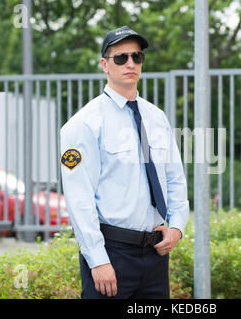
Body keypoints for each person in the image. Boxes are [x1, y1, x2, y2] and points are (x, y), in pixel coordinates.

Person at [60, 25, 189, 299]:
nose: (130, 63)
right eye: (121, 58)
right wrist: (98, 260)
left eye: (137, 56)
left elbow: (174, 177)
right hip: (112, 255)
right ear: (105, 65)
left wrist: (177, 226)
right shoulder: (83, 124)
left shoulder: (156, 117)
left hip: (155, 256)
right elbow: (79, 199)